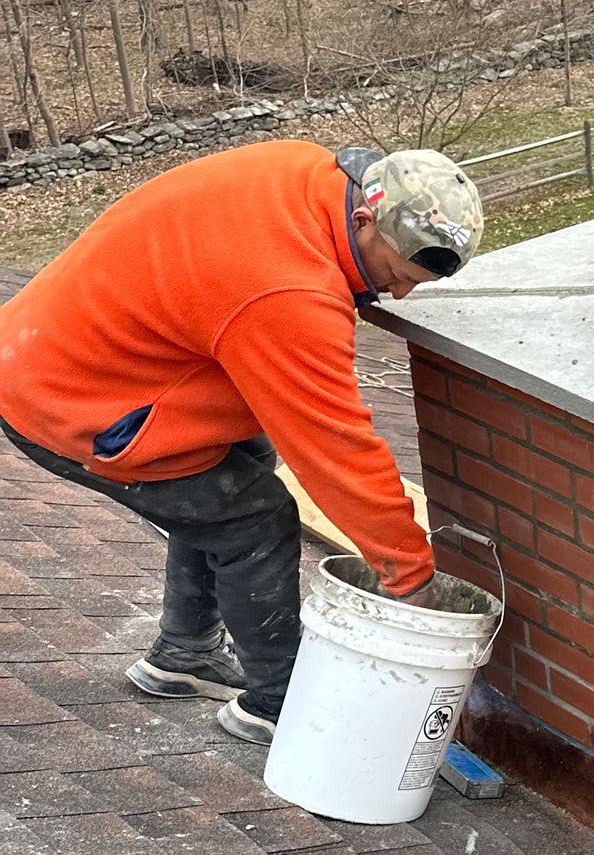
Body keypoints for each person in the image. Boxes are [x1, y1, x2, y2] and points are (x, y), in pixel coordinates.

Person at [0, 141, 483, 746]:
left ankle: (184, 653)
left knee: (242, 461)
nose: (400, 295)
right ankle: (276, 702)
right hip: (72, 402)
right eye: (397, 274)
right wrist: (411, 577)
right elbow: (337, 450)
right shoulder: (289, 294)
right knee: (253, 519)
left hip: (63, 348)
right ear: (363, 221)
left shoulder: (305, 171)